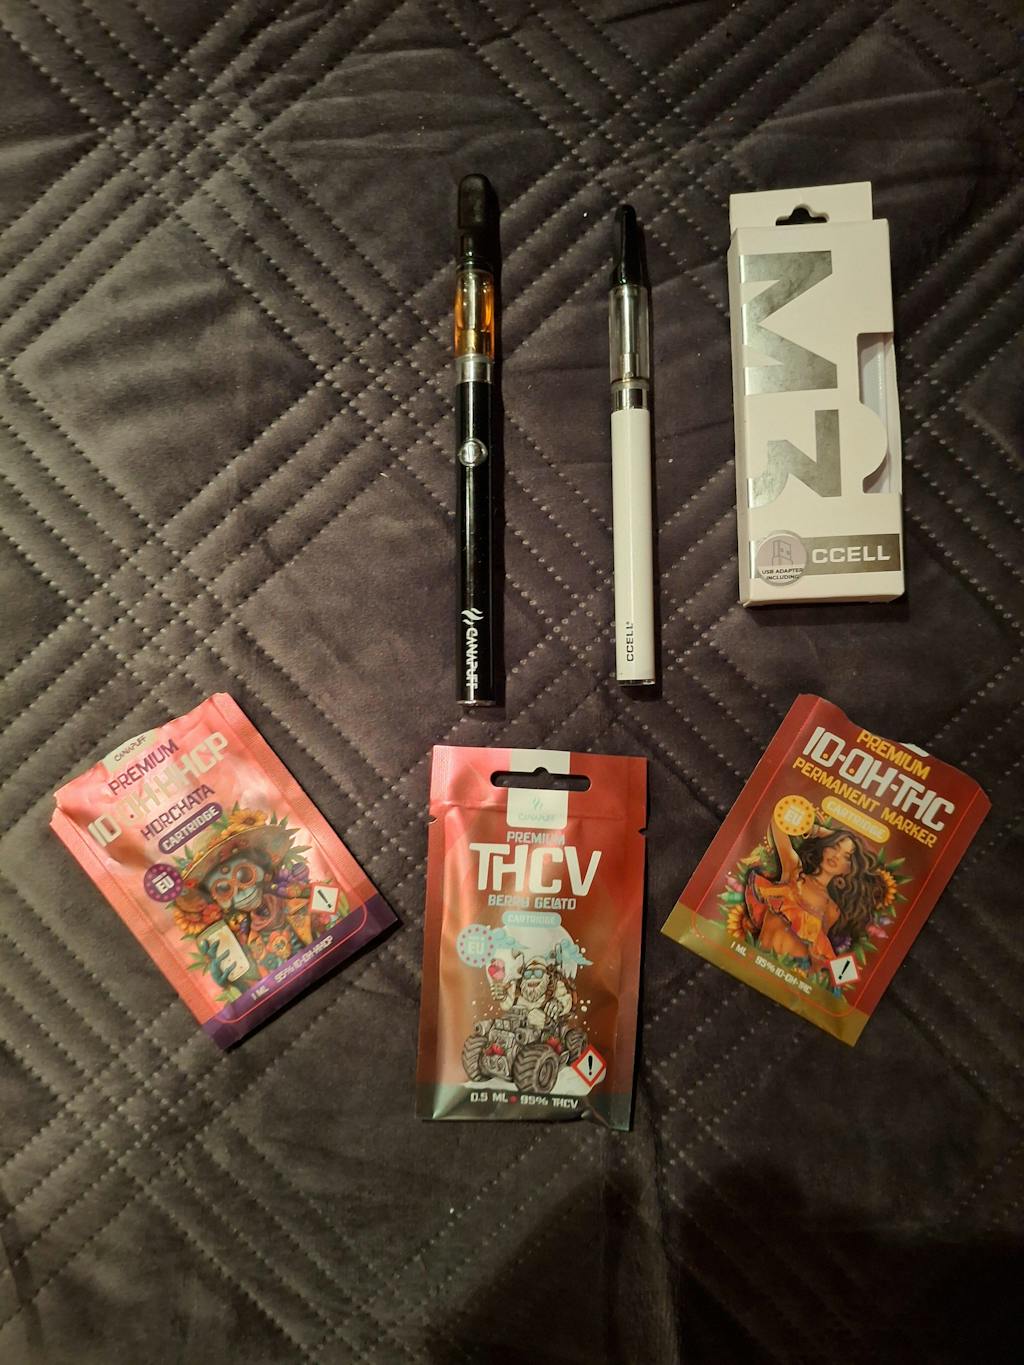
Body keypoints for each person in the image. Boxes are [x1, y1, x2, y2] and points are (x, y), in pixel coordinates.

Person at [743, 812, 882, 972]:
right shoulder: (794, 872)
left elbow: (817, 952)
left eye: (846, 856)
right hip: (757, 959)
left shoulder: (832, 908)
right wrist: (821, 832)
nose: (836, 856)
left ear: (848, 869)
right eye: (834, 846)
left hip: (792, 972)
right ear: (824, 847)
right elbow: (778, 821)